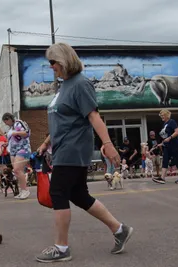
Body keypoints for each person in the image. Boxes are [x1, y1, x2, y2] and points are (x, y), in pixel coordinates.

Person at [35, 42, 133, 263]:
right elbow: (64, 120)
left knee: (58, 193)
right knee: (78, 195)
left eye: (53, 62)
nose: (51, 66)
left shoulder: (80, 84)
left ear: (65, 60)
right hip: (62, 148)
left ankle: (61, 248)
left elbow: (93, 117)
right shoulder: (65, 86)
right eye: (49, 62)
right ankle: (120, 230)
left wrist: (107, 144)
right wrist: (45, 143)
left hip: (73, 149)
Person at [2, 113, 31, 200]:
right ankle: (22, 190)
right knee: (17, 172)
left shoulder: (19, 123)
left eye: (5, 121)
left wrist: (15, 132)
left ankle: (25, 190)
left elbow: (27, 133)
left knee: (17, 169)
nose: (6, 124)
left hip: (23, 149)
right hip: (13, 151)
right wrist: (7, 143)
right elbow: (13, 139)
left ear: (9, 119)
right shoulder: (11, 128)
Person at [153, 109, 178, 184]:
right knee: (165, 160)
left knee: (177, 160)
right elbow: (165, 137)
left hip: (174, 144)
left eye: (163, 115)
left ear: (167, 115)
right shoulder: (164, 124)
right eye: (161, 115)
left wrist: (170, 138)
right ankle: (162, 178)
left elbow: (177, 131)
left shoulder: (172, 122)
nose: (161, 117)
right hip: (167, 145)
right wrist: (161, 144)